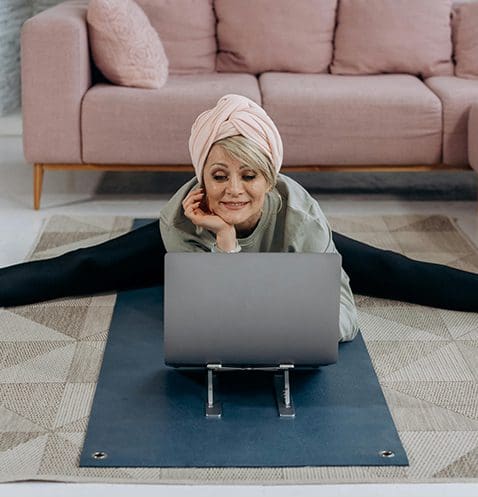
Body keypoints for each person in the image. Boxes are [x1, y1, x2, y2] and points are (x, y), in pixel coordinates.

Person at [1, 94, 477, 341]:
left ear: (270, 179)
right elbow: (213, 312)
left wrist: (291, 323)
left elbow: (344, 319)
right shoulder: (182, 220)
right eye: (219, 174)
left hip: (283, 241)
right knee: (85, 266)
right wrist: (223, 239)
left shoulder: (302, 220)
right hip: (198, 238)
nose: (232, 190)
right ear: (200, 178)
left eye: (249, 175)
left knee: (394, 270)